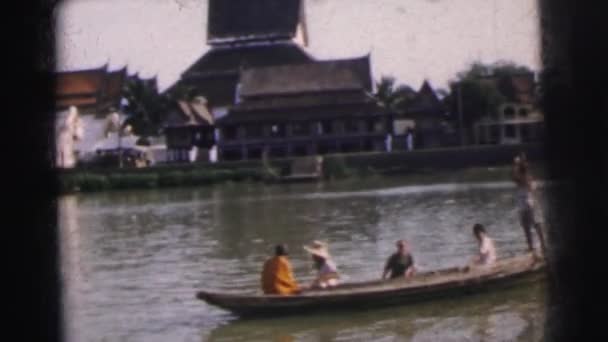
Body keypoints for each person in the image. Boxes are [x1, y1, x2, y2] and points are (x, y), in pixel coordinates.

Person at [512, 153, 547, 257]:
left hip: (527, 200)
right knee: (526, 226)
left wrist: (519, 161)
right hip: (522, 201)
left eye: (517, 165)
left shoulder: (525, 175)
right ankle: (531, 247)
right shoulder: (519, 175)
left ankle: (543, 245)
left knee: (535, 223)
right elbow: (516, 178)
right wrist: (517, 163)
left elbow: (526, 181)